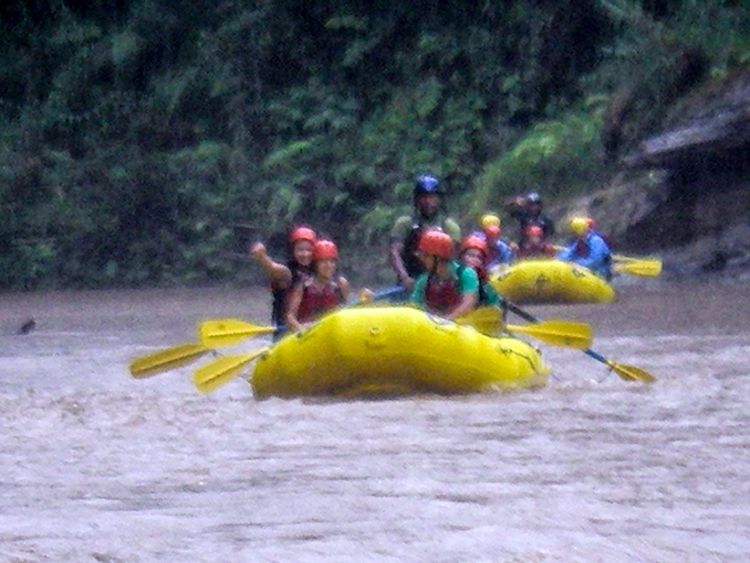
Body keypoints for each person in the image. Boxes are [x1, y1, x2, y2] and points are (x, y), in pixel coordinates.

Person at [389, 174, 461, 295]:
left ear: (439, 199)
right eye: (423, 197)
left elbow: (454, 259)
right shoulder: (405, 224)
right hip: (410, 282)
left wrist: (444, 281)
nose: (428, 202)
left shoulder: (449, 227)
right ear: (416, 200)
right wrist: (405, 278)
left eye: (432, 197)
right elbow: (394, 252)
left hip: (441, 284)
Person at [251, 225, 316, 340]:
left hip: (312, 330)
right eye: (300, 250)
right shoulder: (287, 273)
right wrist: (261, 257)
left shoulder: (317, 273)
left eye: (308, 250)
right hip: (287, 335)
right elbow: (272, 268)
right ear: (293, 251)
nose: (305, 254)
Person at [409, 229, 478, 319]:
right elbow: (413, 308)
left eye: (425, 256)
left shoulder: (466, 275)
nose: (422, 260)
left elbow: (468, 304)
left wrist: (445, 322)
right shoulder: (424, 280)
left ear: (437, 258)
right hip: (435, 328)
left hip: (462, 328)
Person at [286, 239, 351, 333]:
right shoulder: (303, 286)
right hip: (308, 334)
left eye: (332, 261)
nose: (328, 265)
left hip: (331, 333)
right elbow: (290, 317)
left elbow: (348, 311)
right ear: (315, 264)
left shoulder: (340, 285)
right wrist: (300, 329)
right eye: (323, 261)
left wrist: (364, 302)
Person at [458, 234, 504, 307]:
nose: (475, 260)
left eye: (479, 257)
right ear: (461, 256)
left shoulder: (485, 282)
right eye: (471, 255)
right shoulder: (455, 272)